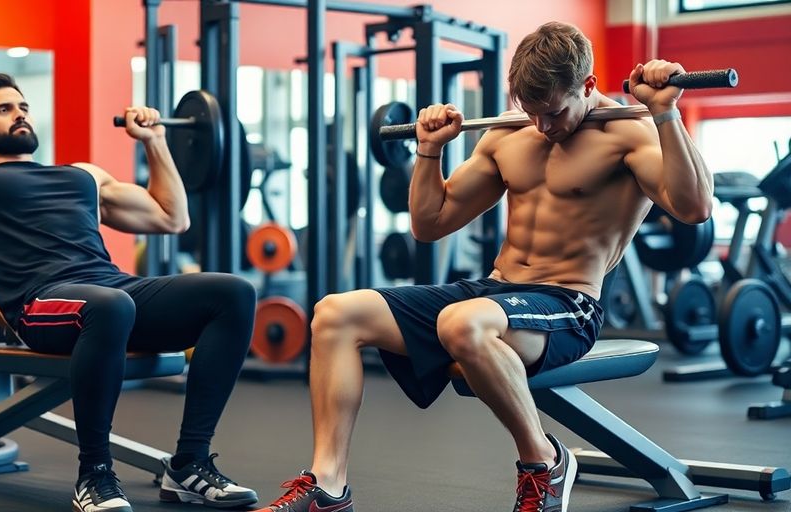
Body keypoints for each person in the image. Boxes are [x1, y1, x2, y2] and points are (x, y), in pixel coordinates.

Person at [254, 21, 713, 512]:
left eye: (555, 112)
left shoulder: (631, 132)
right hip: (496, 293)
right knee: (335, 314)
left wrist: (666, 114)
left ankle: (544, 461)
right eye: (530, 112)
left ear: (589, 86)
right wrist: (428, 152)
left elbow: (695, 209)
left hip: (568, 304)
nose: (543, 126)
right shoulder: (507, 134)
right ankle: (328, 483)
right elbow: (430, 224)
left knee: (462, 322)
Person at [0, 73, 259, 512]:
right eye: (4, 109)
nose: (20, 115)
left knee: (233, 292)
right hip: (43, 305)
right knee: (109, 306)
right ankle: (95, 474)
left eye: (22, 107)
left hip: (114, 292)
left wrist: (154, 140)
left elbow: (172, 218)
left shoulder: (83, 176)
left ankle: (189, 464)